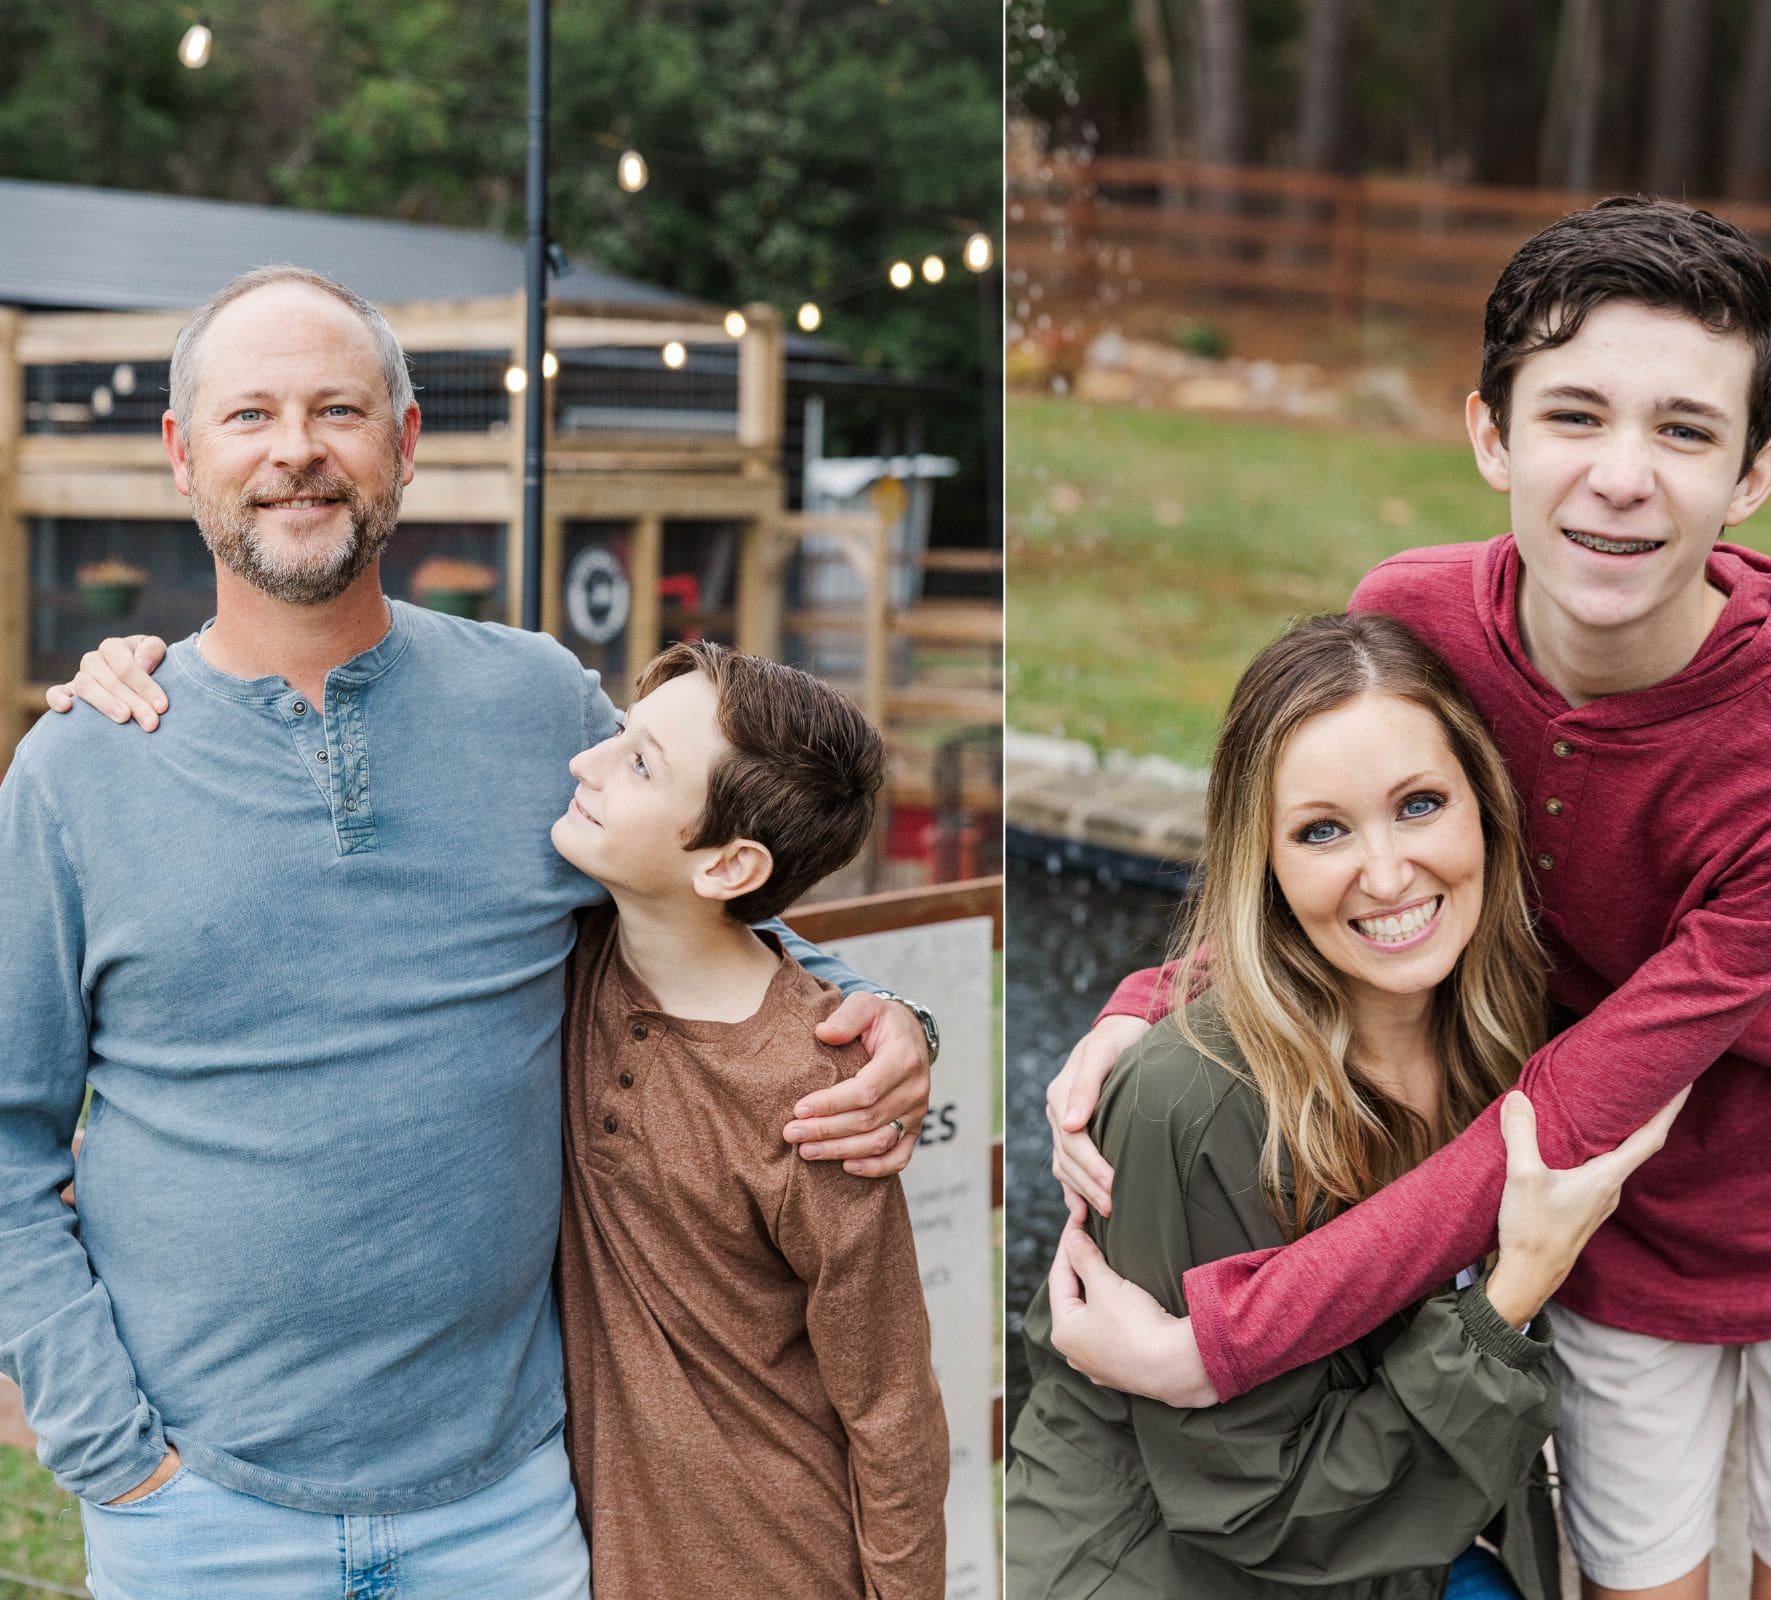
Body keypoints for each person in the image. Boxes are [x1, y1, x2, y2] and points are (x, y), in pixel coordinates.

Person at [1039, 198, 1771, 1600]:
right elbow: (1328, 850)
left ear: (1754, 475)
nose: (1620, 477)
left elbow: (1560, 1111)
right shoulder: (1410, 623)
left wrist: (1220, 1341)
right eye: (1574, 415)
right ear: (1491, 435)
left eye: (1684, 431)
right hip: (1608, 1218)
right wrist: (1152, 995)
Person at [3, 264, 933, 1598]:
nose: (296, 450)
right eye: (250, 414)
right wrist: (109, 1446)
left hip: (504, 1508)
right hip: (202, 1516)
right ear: (181, 455)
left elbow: (703, 884)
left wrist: (879, 1014)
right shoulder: (83, 766)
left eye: (337, 410)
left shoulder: (536, 706)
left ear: (406, 441)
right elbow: (8, 1133)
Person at [1008, 613, 1683, 1600]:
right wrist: (1508, 1297)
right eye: (1321, 830)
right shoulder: (1188, 1104)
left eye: (1419, 805)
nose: (1387, 873)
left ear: (1487, 808)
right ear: (1263, 859)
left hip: (1399, 1547)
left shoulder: (1505, 1024)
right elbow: (1257, 1508)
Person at [553, 639, 948, 1600]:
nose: (584, 762)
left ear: (730, 864)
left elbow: (891, 1404)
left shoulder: (820, 1098)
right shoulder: (569, 957)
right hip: (598, 1556)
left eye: (640, 764)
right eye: (620, 736)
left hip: (783, 1562)